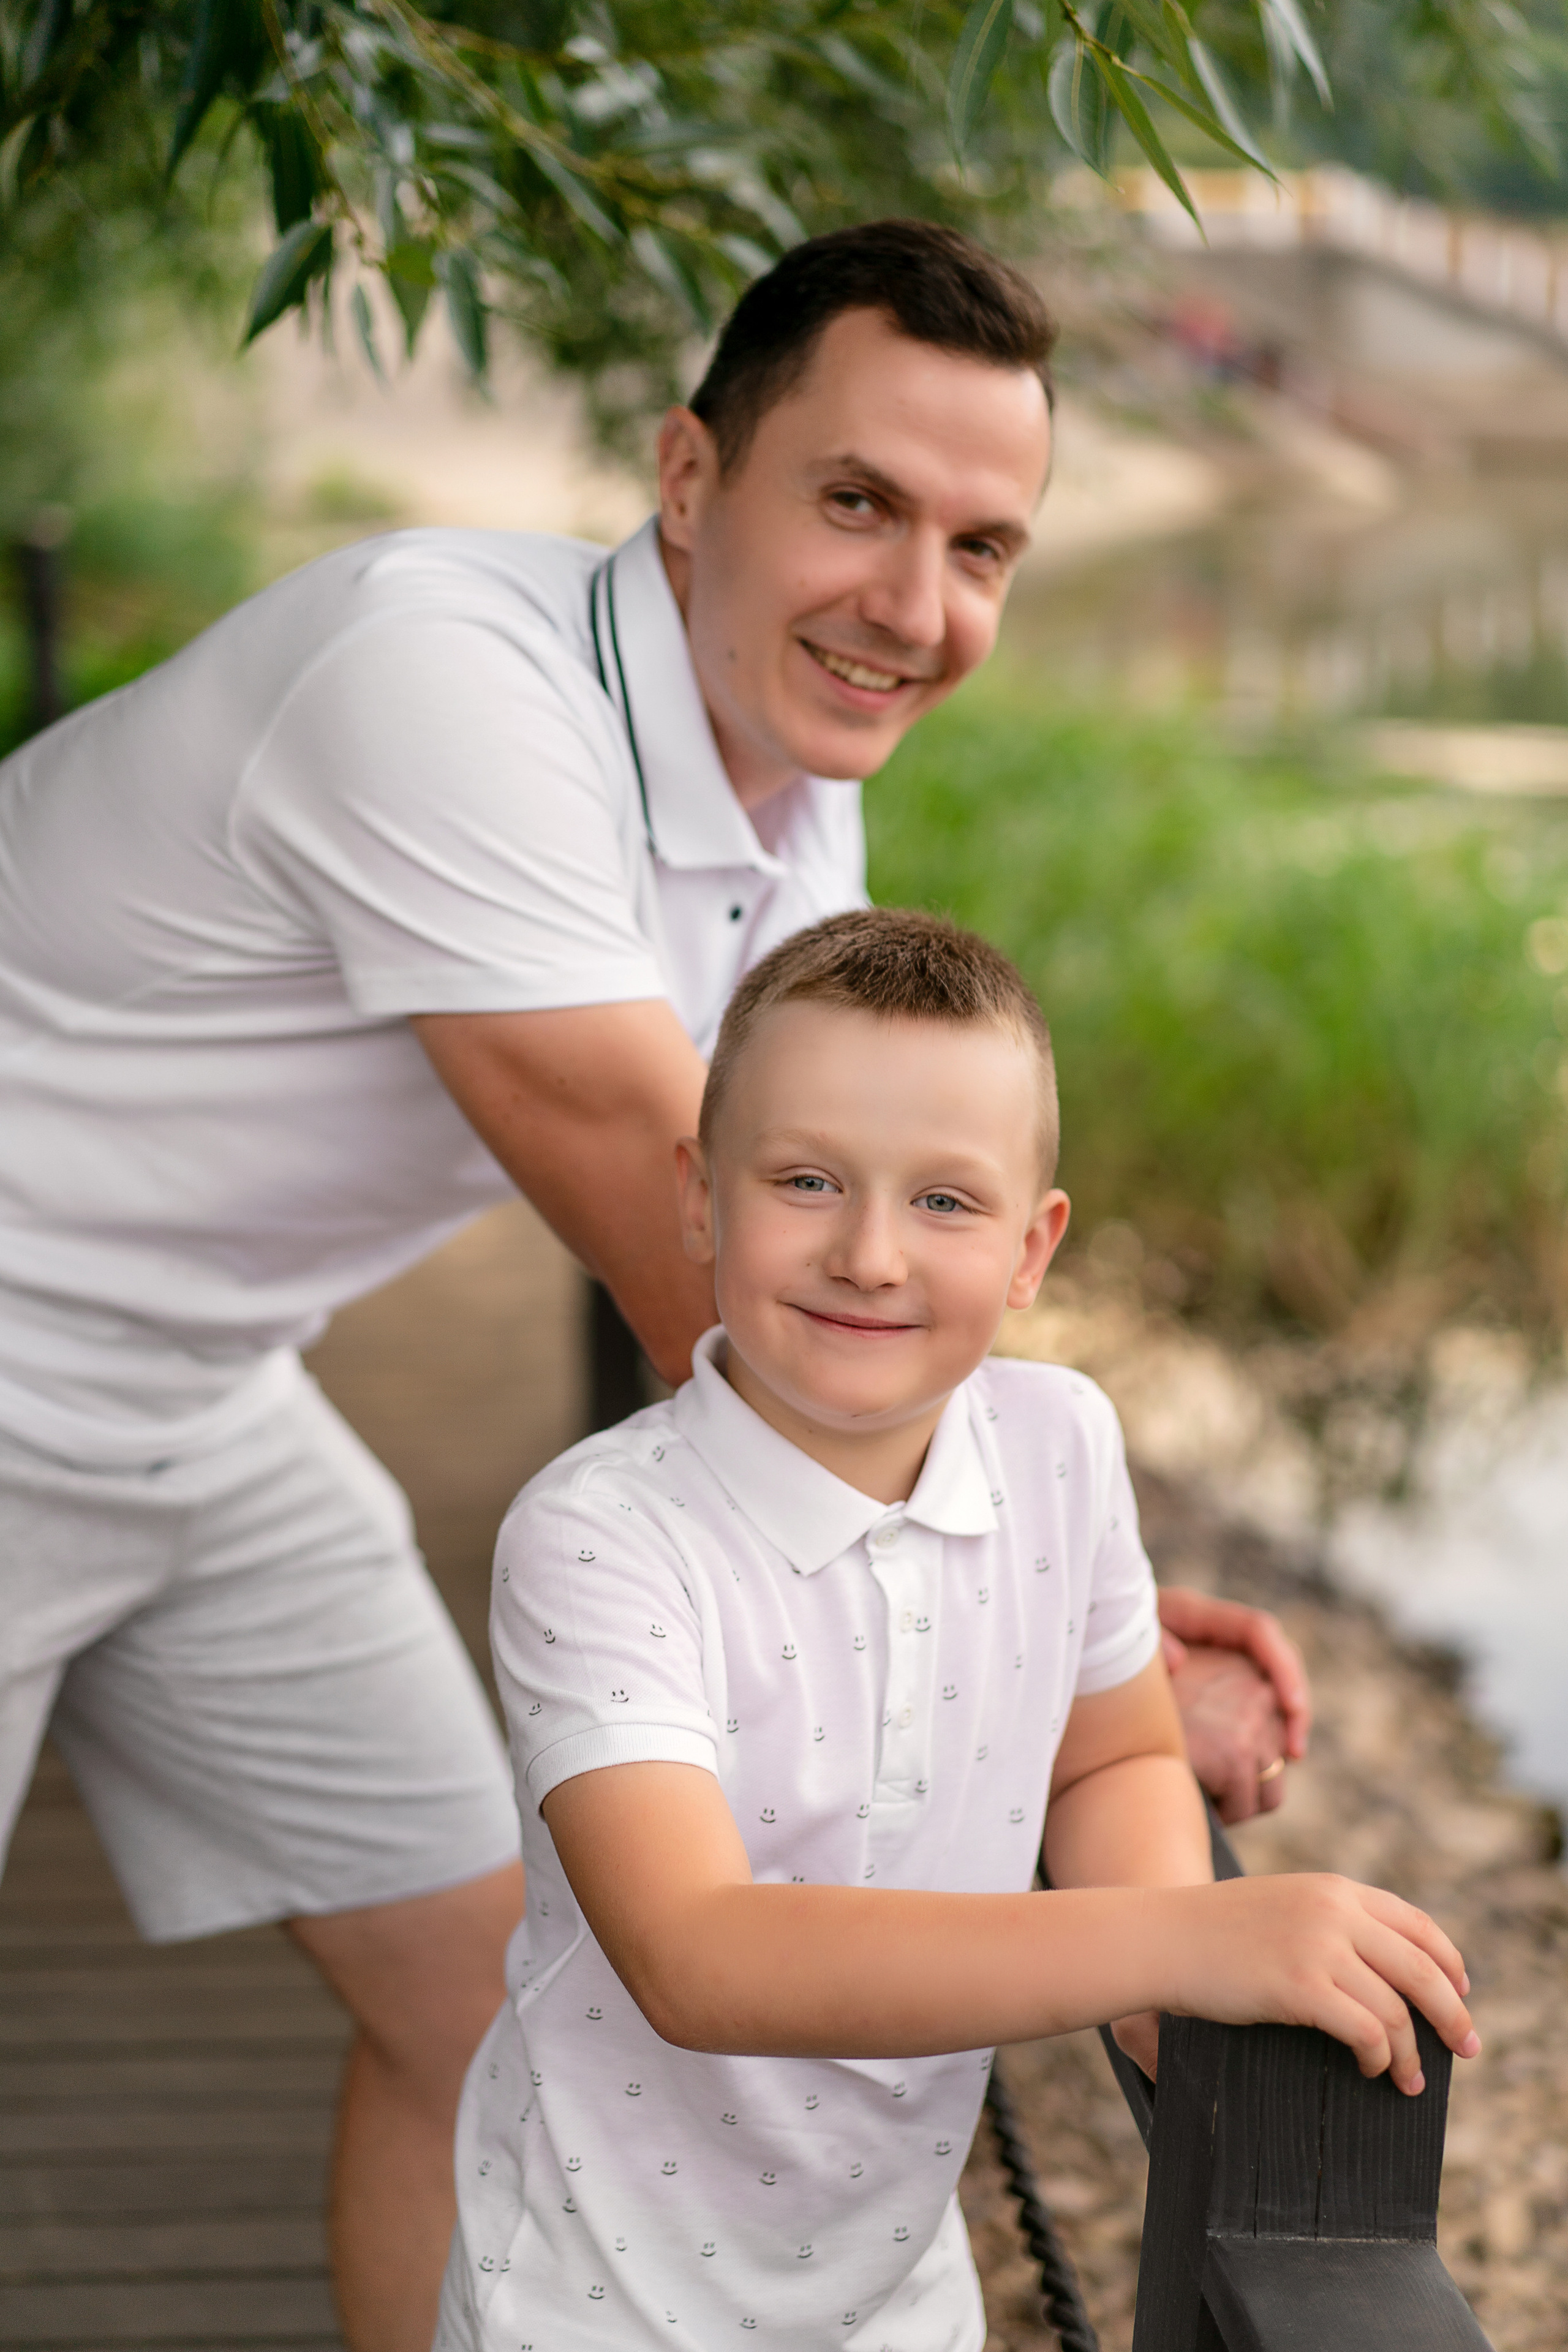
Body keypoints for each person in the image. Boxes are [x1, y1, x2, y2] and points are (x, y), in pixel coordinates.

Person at [0, 220, 1304, 2350]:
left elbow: (842, 1323)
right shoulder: (442, 681)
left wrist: (1070, 1615)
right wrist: (1055, 1637)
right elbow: (677, 1224)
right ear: (692, 481)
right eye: (859, 504)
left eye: (985, 546)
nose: (915, 605)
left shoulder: (792, 805)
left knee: (471, 1983)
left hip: (198, 1387)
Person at [432, 908, 1476, 2352]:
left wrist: (1162, 2005)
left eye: (944, 1202)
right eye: (805, 1180)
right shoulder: (601, 1533)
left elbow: (1109, 1760)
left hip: (897, 2293)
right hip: (597, 2300)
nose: (869, 1254)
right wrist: (1173, 1944)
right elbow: (698, 1955)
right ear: (697, 1197)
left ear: (1035, 1245)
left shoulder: (1058, 1443)